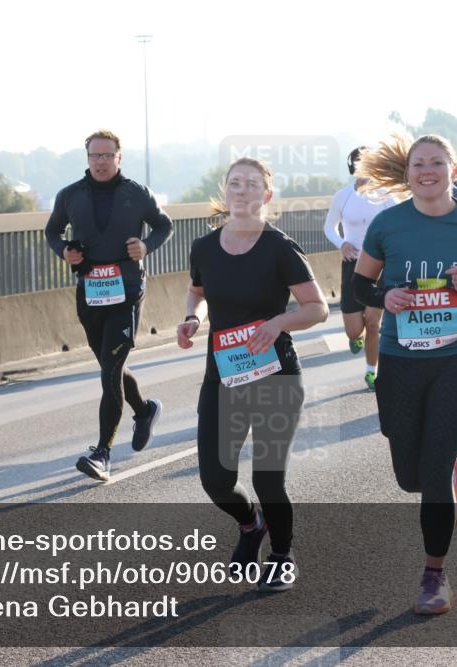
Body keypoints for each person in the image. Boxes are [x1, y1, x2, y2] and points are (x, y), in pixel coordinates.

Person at [352, 133, 457, 614]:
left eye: (436, 163)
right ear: (408, 174)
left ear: (453, 170)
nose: (427, 170)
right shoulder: (387, 225)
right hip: (401, 359)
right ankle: (445, 475)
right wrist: (387, 298)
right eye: (419, 163)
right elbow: (360, 285)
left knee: (435, 467)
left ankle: (434, 576)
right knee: (409, 477)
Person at [177, 157, 328, 592]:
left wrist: (278, 323)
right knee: (215, 479)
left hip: (275, 375)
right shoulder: (204, 246)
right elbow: (197, 290)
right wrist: (193, 317)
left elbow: (316, 308)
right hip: (223, 376)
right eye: (234, 183)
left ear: (266, 196)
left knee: (267, 476)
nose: (242, 191)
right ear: (225, 191)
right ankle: (250, 523)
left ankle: (282, 554)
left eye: (251, 185)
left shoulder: (280, 247)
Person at [45, 129, 173, 482]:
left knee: (109, 371)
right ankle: (145, 410)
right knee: (109, 366)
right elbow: (52, 232)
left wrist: (146, 246)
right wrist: (64, 251)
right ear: (87, 158)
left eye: (107, 155)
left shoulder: (137, 193)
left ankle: (102, 452)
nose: (100, 162)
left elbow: (164, 225)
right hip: (90, 291)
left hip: (128, 290)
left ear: (119, 157)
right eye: (94, 156)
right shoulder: (70, 195)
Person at [323, 147, 397, 389]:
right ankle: (357, 338)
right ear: (352, 166)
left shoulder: (386, 195)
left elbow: (398, 223)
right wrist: (342, 243)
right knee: (355, 330)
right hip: (352, 265)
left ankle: (371, 372)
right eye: (360, 162)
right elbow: (329, 228)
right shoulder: (342, 196)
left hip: (380, 264)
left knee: (373, 321)